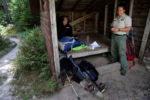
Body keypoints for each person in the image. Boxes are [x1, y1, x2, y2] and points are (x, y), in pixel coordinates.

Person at [111, 5, 132, 76]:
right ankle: (114, 63)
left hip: (121, 37)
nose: (118, 11)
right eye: (118, 10)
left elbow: (128, 28)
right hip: (114, 36)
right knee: (113, 50)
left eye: (120, 10)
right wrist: (112, 28)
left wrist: (119, 29)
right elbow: (112, 25)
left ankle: (124, 68)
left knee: (121, 53)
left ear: (124, 11)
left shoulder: (127, 18)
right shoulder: (116, 18)